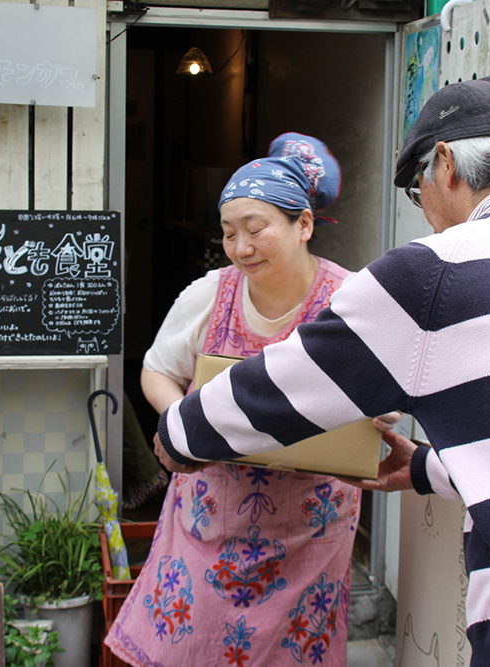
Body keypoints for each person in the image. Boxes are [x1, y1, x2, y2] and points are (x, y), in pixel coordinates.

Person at [151, 77, 490, 666]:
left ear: (446, 164)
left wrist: (179, 434)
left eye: (417, 186)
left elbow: (289, 387)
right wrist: (428, 467)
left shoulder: (434, 270)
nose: (424, 209)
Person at [105, 133, 370, 667]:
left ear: (304, 225)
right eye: (229, 234)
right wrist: (184, 422)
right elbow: (157, 371)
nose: (241, 248)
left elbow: (384, 394)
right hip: (211, 515)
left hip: (310, 527)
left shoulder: (353, 300)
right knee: (192, 645)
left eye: (256, 230)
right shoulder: (209, 294)